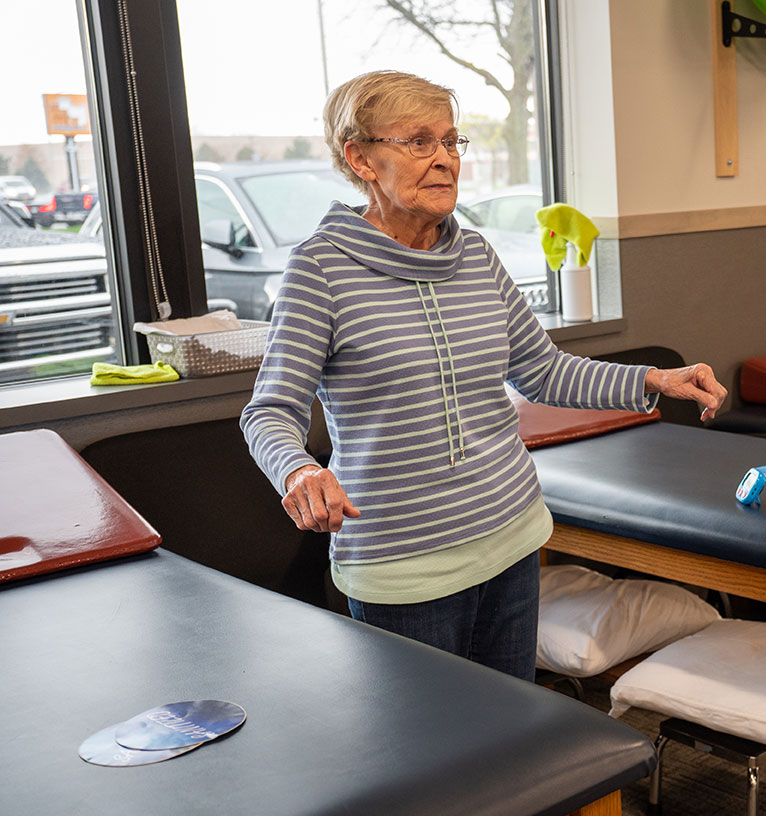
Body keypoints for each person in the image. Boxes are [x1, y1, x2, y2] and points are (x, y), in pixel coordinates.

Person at [241, 70, 727, 682]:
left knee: (511, 744)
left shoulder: (474, 254)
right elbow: (269, 412)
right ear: (360, 158)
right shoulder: (321, 269)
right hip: (405, 565)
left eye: (451, 141)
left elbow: (542, 371)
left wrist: (653, 381)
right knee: (431, 756)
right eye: (419, 141)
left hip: (512, 536)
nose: (444, 159)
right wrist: (300, 470)